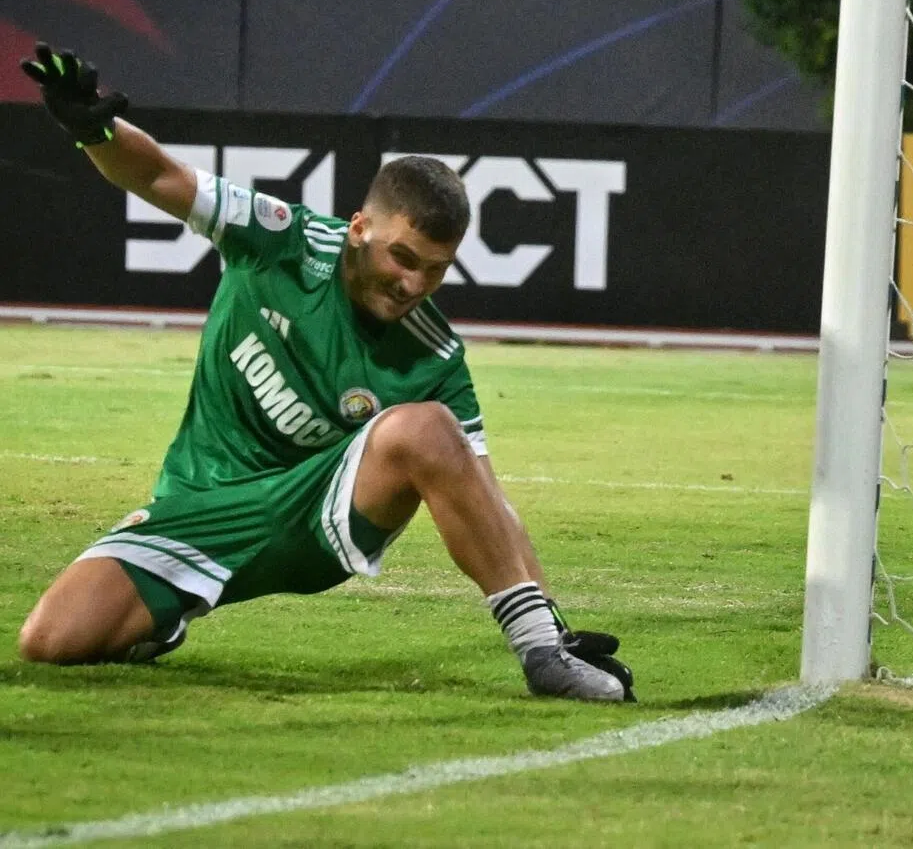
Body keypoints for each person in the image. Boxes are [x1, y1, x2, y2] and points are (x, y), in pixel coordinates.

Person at [15, 43, 634, 703]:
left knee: (426, 430)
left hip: (309, 518)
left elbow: (487, 501)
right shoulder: (279, 239)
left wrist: (550, 630)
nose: (413, 283)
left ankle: (538, 655)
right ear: (360, 227)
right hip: (198, 505)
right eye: (402, 256)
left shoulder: (435, 356)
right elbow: (159, 175)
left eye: (434, 268)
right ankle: (158, 625)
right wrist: (94, 128)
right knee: (51, 642)